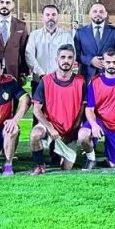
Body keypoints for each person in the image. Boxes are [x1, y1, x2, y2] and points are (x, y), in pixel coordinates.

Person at [30, 44, 92, 174]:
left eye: (70, 57)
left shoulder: (80, 81)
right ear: (56, 59)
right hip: (50, 127)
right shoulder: (46, 81)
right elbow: (36, 109)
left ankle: (55, 148)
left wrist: (73, 131)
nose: (66, 60)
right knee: (35, 134)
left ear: (74, 61)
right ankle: (39, 165)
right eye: (63, 57)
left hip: (69, 131)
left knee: (66, 168)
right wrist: (50, 128)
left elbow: (82, 108)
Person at [24, 4, 75, 87]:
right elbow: (29, 55)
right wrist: (41, 73)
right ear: (42, 17)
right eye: (47, 15)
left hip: (61, 81)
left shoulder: (66, 36)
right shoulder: (34, 35)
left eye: (54, 15)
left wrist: (59, 75)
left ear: (58, 17)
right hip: (39, 81)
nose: (51, 17)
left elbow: (72, 57)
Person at [74, 1, 115, 82]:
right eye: (95, 11)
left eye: (101, 11)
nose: (98, 14)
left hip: (109, 76)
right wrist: (90, 60)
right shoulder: (80, 32)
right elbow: (76, 55)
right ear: (90, 14)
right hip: (87, 76)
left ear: (106, 14)